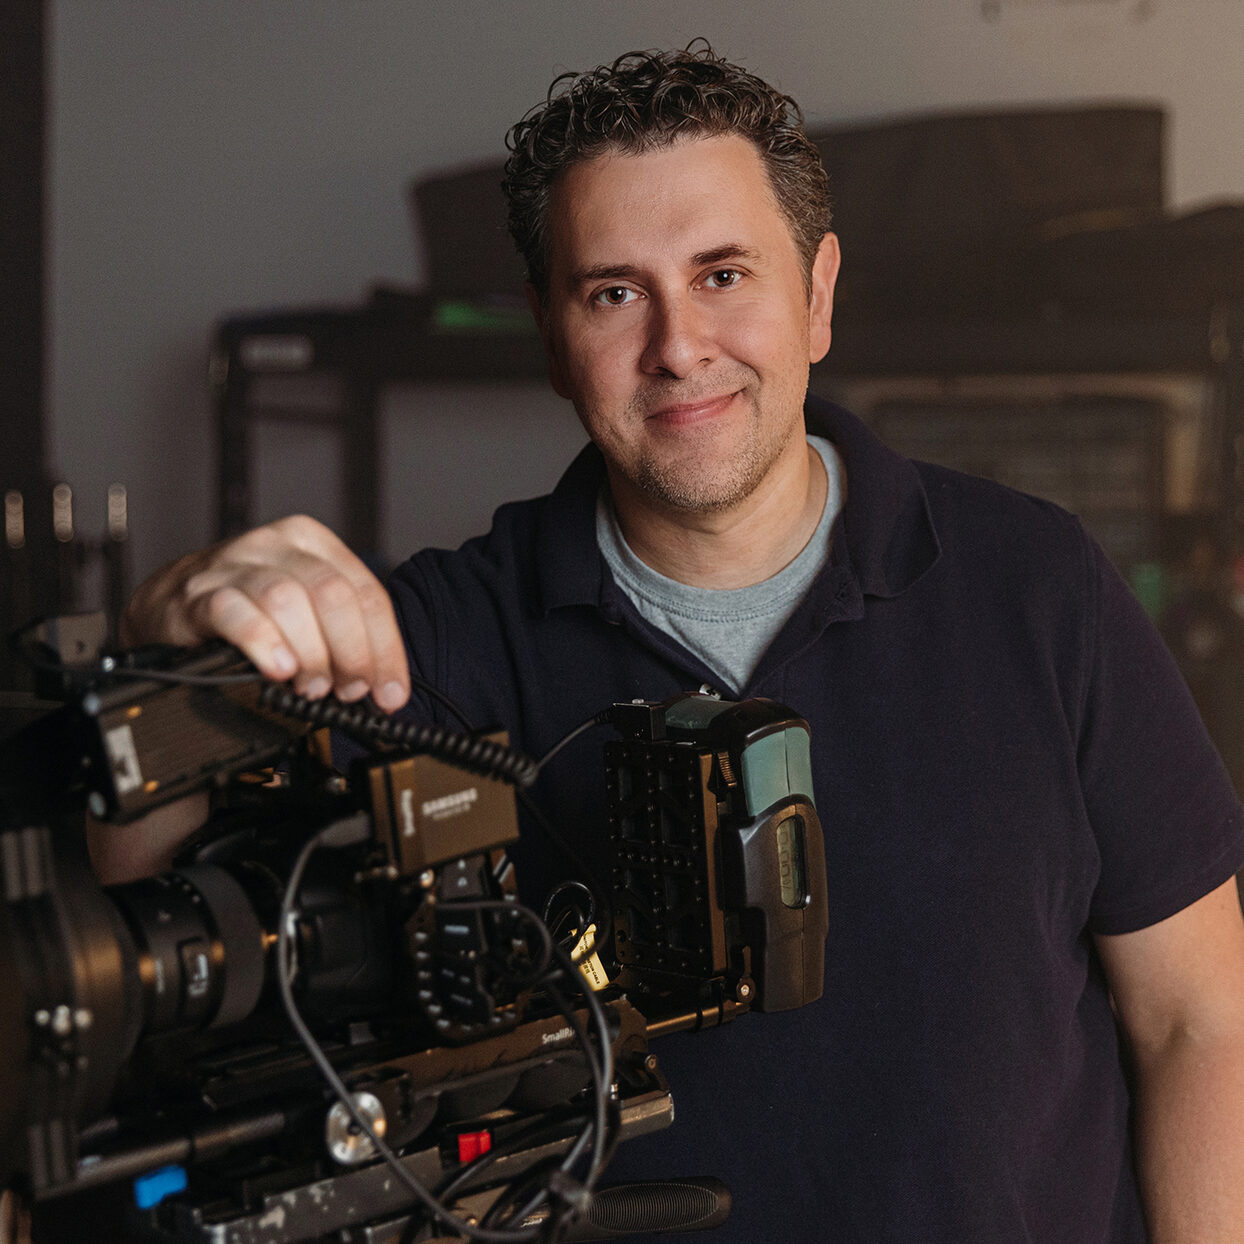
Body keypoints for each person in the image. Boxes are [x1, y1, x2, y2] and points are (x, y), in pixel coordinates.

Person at [116, 43, 1244, 1244]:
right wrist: (170, 632)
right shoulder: (439, 638)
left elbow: (1198, 1020)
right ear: (551, 337)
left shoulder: (1035, 583)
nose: (676, 344)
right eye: (613, 292)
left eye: (721, 273)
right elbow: (146, 888)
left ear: (816, 295)